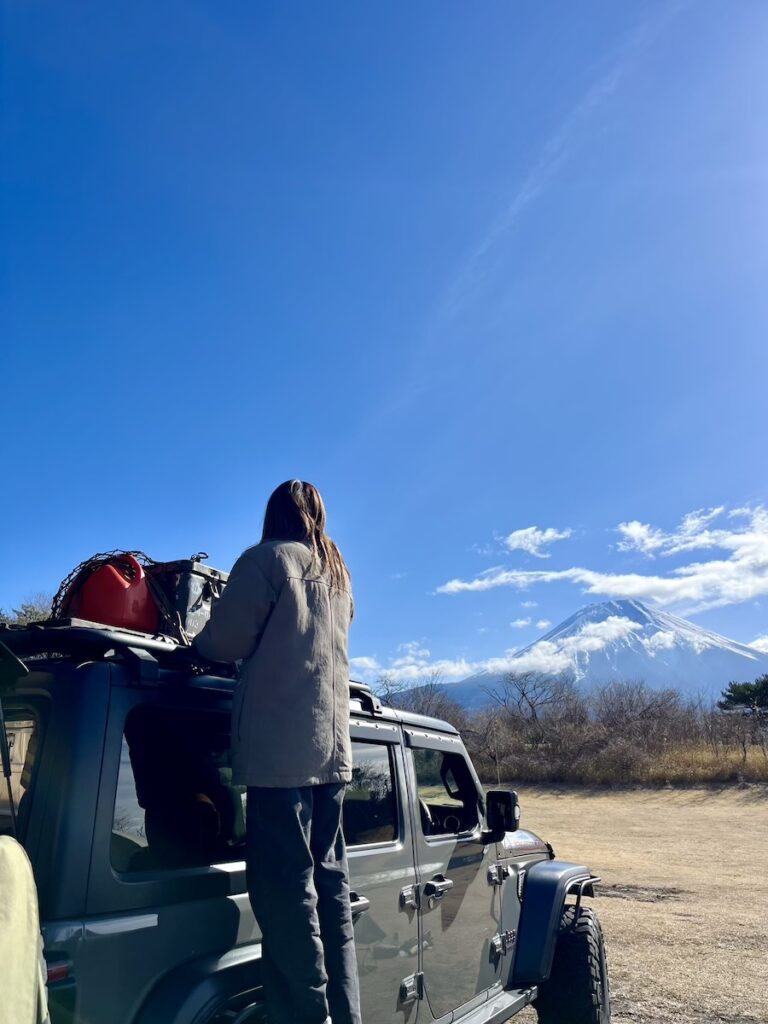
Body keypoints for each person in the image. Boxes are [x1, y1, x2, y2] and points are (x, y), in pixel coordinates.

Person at [194, 480, 361, 1024]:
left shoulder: (265, 560)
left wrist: (193, 644)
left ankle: (306, 1016)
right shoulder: (336, 573)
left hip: (279, 759)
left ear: (272, 515)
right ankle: (343, 1012)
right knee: (329, 890)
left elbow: (225, 642)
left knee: (286, 896)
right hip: (331, 755)